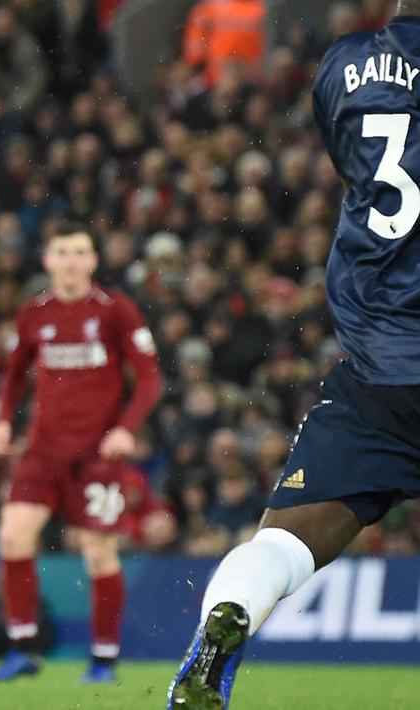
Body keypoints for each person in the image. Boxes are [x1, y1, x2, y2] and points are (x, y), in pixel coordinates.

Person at [169, 4, 420, 708]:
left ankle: (229, 623)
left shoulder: (346, 65)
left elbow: (355, 161)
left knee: (282, 547)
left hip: (377, 374)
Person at [0, 221, 162, 685]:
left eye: (79, 252)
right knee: (12, 537)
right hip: (43, 452)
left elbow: (149, 378)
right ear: (48, 260)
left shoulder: (113, 310)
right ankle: (23, 649)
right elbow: (14, 373)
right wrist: (4, 419)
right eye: (62, 251)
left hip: (96, 456)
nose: (70, 260)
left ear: (93, 261)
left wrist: (125, 430)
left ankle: (104, 659)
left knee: (99, 554)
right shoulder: (35, 312)